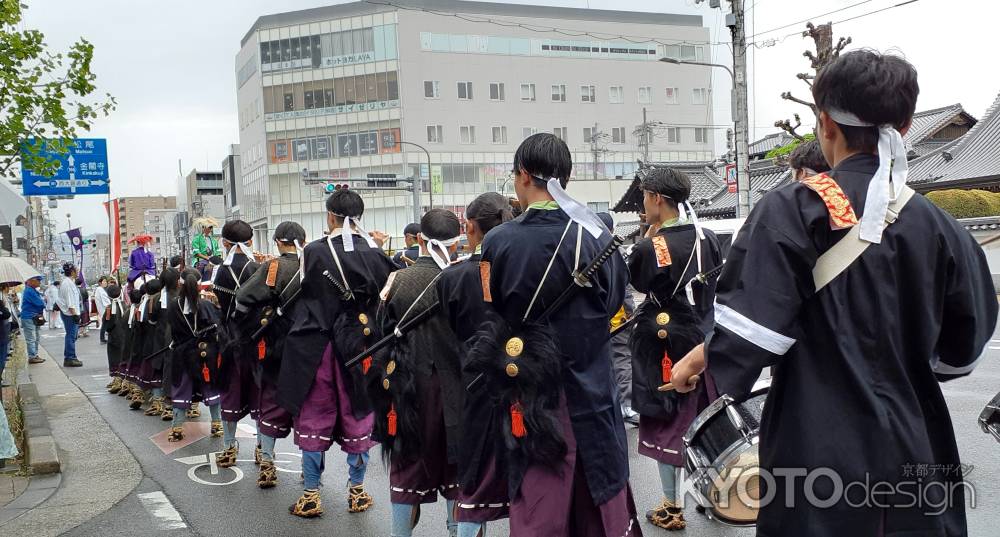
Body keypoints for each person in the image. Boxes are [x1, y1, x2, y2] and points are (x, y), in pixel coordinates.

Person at [670, 50, 998, 536]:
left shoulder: (791, 208)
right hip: (917, 445)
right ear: (905, 127)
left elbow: (750, 338)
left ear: (824, 123)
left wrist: (700, 360)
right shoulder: (943, 227)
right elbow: (959, 357)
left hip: (816, 447)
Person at [473, 133, 637, 536]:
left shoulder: (497, 241)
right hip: (591, 384)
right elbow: (614, 300)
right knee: (598, 490)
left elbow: (489, 308)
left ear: (525, 175)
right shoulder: (597, 235)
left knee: (536, 493)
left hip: (528, 389)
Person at [279, 188, 395, 518]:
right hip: (361, 348)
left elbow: (305, 295)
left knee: (315, 417)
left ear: (330, 216)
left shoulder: (314, 251)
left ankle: (312, 494)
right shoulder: (374, 252)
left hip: (317, 348)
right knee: (359, 415)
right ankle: (357, 491)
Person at [625, 167, 722, 530]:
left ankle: (671, 505)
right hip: (704, 337)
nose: (642, 204)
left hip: (664, 344)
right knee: (701, 419)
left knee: (667, 420)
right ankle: (712, 495)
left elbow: (637, 279)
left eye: (644, 197)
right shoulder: (707, 237)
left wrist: (645, 238)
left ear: (657, 198)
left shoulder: (653, 245)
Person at [371, 209, 463, 537]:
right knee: (458, 465)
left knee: (406, 463)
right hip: (458, 387)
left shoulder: (399, 279)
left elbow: (383, 330)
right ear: (457, 241)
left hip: (409, 385)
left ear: (420, 240)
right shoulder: (464, 277)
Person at [435, 192, 514, 537]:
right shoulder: (521, 266)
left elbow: (450, 329)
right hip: (522, 379)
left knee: (474, 471)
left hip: (473, 381)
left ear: (470, 228)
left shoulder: (452, 277)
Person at [234, 221, 305, 488]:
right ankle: (309, 471)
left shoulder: (273, 267)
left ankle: (266, 462)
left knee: (271, 400)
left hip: (276, 344)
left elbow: (243, 298)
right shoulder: (315, 266)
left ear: (277, 242)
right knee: (307, 408)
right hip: (310, 347)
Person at [212, 220, 261, 468]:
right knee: (260, 392)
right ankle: (264, 452)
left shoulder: (220, 271)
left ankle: (229, 447)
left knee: (229, 391)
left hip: (229, 338)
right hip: (257, 339)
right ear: (251, 241)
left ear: (224, 243)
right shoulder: (258, 268)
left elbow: (220, 305)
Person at [166, 268, 224, 442]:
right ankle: (217, 424)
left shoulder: (173, 306)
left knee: (182, 387)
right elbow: (218, 326)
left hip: (182, 353)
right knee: (210, 386)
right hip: (204, 354)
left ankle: (177, 427)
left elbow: (174, 330)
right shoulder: (206, 305)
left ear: (179, 284)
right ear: (200, 286)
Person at [56, 263, 83, 367]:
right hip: (70, 314)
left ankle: (71, 356)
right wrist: (75, 315)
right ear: (72, 271)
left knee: (72, 336)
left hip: (71, 313)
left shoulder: (69, 282)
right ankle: (69, 358)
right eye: (76, 269)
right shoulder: (67, 284)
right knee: (71, 336)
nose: (78, 271)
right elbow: (70, 302)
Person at [104, 284, 127, 394]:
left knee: (114, 357)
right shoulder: (125, 305)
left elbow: (107, 324)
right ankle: (122, 379)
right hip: (125, 336)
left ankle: (117, 378)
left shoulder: (109, 308)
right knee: (124, 357)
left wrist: (108, 331)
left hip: (114, 337)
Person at [20, 275, 46, 365]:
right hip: (29, 317)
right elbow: (40, 303)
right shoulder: (29, 291)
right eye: (38, 280)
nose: (39, 282)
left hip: (34, 316)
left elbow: (41, 303)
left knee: (36, 337)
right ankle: (32, 356)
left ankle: (34, 354)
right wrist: (43, 302)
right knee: (31, 338)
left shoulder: (32, 290)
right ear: (31, 281)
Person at [94, 276, 111, 344]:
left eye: (106, 281)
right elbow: (106, 301)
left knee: (105, 324)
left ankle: (103, 338)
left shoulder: (99, 289)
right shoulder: (100, 290)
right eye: (103, 281)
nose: (105, 282)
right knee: (105, 324)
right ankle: (102, 339)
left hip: (102, 309)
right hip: (104, 309)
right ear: (100, 283)